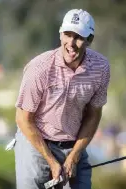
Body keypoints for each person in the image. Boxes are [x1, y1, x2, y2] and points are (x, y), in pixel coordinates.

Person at [12, 8, 110, 189]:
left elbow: (93, 114)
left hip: (72, 144)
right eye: (67, 35)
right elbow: (23, 119)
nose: (71, 43)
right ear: (60, 34)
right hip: (35, 141)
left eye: (79, 37)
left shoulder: (101, 68)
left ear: (90, 40)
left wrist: (75, 154)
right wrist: (51, 161)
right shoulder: (39, 68)